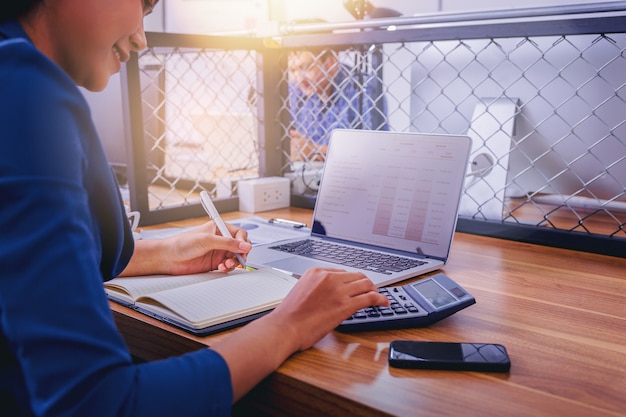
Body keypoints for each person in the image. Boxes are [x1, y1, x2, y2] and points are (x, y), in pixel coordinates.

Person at [0, 1, 390, 416]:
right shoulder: (24, 90)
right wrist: (289, 324)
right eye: (143, 6)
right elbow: (99, 404)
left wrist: (168, 251)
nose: (141, 37)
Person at [288, 47, 389, 161]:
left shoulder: (363, 89)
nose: (299, 78)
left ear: (331, 62)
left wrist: (312, 150)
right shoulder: (295, 90)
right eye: (293, 70)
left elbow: (372, 151)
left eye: (306, 67)